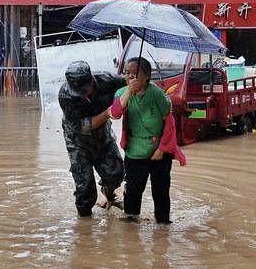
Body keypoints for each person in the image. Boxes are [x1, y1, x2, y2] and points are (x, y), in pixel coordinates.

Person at [111, 56, 179, 224]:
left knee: (161, 192)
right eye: (127, 73)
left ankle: (163, 227)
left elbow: (169, 122)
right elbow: (116, 114)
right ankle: (132, 231)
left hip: (159, 152)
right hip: (135, 152)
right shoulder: (121, 93)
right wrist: (129, 91)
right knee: (133, 192)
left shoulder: (156, 93)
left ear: (147, 76)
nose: (130, 77)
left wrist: (162, 149)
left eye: (135, 73)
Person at [58, 60, 127, 217]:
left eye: (84, 90)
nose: (81, 94)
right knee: (85, 191)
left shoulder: (108, 80)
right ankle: (85, 229)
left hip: (103, 136)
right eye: (77, 91)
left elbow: (129, 85)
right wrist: (107, 113)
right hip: (77, 142)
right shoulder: (65, 96)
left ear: (92, 80)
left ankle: (109, 195)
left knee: (116, 175)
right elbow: (82, 126)